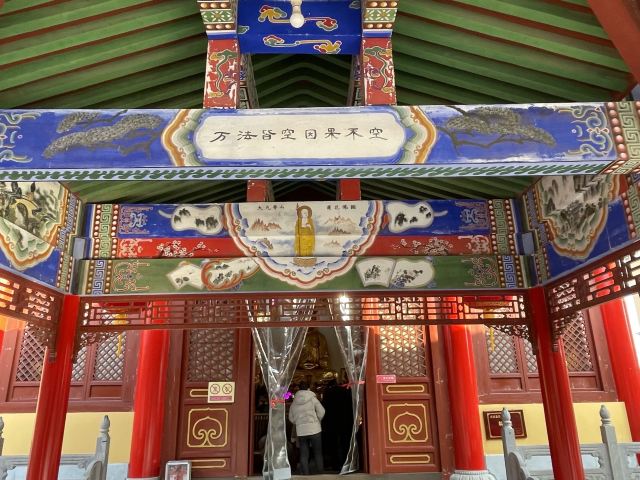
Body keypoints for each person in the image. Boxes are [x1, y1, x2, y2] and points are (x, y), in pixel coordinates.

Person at [288, 382, 325, 475]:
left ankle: (306, 475)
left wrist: (298, 423)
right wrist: (317, 420)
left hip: (301, 431)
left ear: (299, 389)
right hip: (315, 429)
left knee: (304, 454)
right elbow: (322, 411)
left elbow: (291, 418)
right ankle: (320, 475)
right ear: (308, 388)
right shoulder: (313, 399)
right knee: (318, 453)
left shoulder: (294, 402)